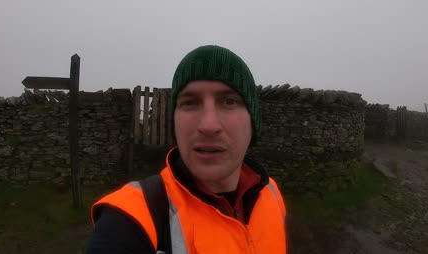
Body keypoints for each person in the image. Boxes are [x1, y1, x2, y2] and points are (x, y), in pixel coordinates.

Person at [86, 45, 287, 253]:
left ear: (253, 122)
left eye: (229, 101)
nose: (209, 126)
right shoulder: (129, 219)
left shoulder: (270, 193)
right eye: (190, 103)